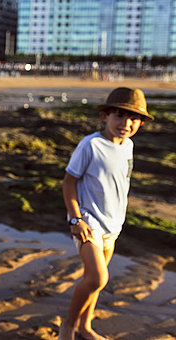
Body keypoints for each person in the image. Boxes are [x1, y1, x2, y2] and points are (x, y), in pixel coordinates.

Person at [58, 87, 154, 340]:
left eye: (134, 119)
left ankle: (85, 326)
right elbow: (69, 182)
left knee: (93, 282)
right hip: (88, 223)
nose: (126, 123)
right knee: (98, 278)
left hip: (113, 224)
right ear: (105, 116)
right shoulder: (91, 145)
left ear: (141, 123)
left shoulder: (128, 146)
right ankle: (68, 325)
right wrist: (76, 219)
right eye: (119, 116)